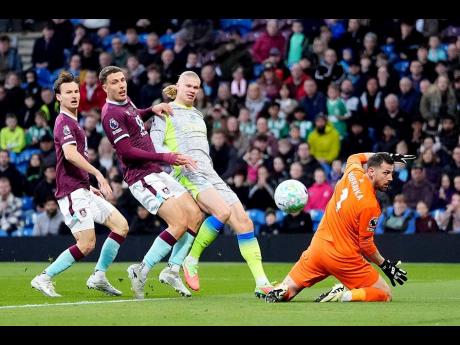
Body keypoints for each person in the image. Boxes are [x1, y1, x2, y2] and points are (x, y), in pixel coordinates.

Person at [153, 71, 274, 298]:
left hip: (209, 173)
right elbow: (154, 147)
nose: (192, 90)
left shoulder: (198, 114)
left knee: (245, 224)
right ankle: (191, 259)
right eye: (187, 85)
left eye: (196, 87)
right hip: (186, 172)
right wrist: (175, 157)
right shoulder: (164, 112)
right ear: (177, 86)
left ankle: (261, 282)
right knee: (222, 211)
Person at [98, 66, 204, 299]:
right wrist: (166, 157)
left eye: (123, 79)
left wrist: (150, 110)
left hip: (155, 172)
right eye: (115, 82)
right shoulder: (110, 115)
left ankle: (173, 270)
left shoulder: (126, 102)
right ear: (105, 87)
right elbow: (127, 152)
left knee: (195, 216)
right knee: (178, 223)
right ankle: (141, 270)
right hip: (141, 177)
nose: (121, 85)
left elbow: (135, 120)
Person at [30, 71, 129, 298]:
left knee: (121, 226)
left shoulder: (74, 121)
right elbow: (70, 154)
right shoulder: (63, 122)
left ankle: (99, 276)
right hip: (71, 193)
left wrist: (87, 184)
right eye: (68, 92)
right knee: (86, 244)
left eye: (76, 91)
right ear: (58, 97)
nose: (74, 95)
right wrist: (98, 175)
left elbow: (71, 161)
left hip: (81, 189)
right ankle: (44, 277)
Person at [265, 152, 413, 304]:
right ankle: (343, 294)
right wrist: (385, 265)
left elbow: (355, 157)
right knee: (384, 293)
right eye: (386, 173)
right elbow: (366, 245)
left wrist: (386, 155)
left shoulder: (352, 173)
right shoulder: (370, 206)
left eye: (391, 173)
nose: (390, 178)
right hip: (344, 258)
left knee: (289, 290)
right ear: (371, 171)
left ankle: (280, 289)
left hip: (317, 249)